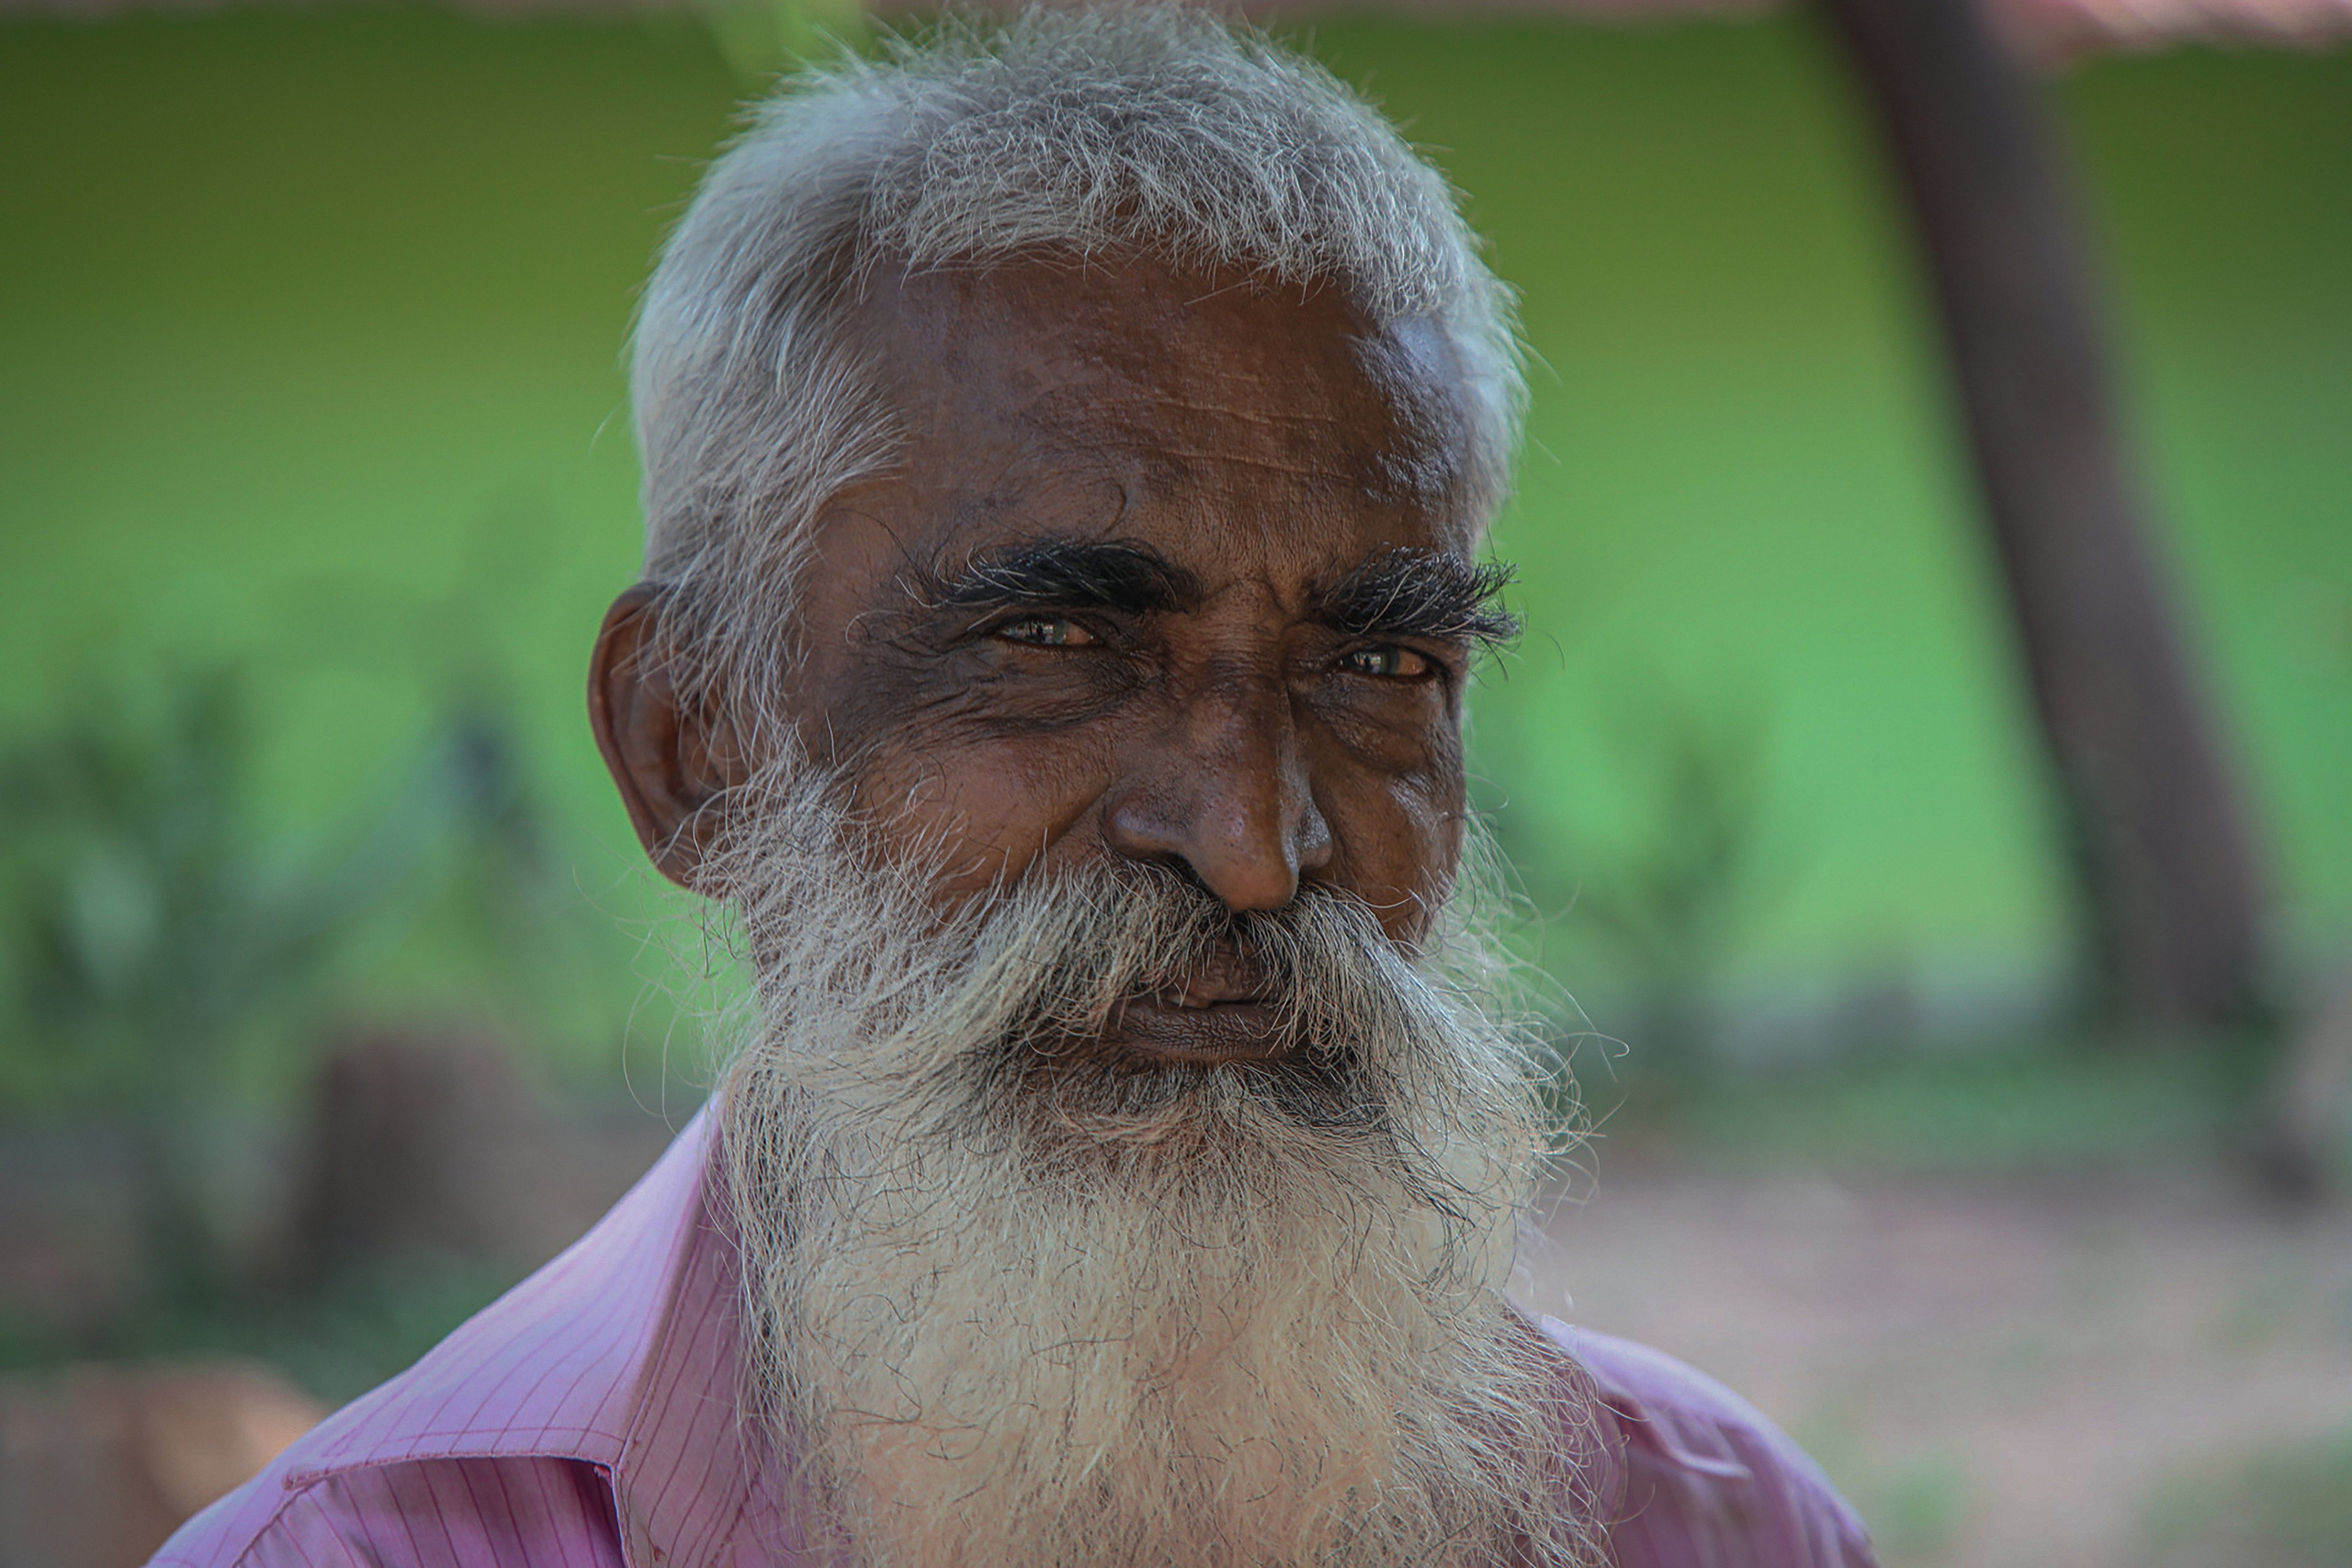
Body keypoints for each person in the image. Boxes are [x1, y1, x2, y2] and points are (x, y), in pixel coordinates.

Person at [156, 10, 1876, 1565]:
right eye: (1056, 640)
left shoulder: (1711, 1526)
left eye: (1377, 667)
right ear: (695, 746)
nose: (1255, 848)